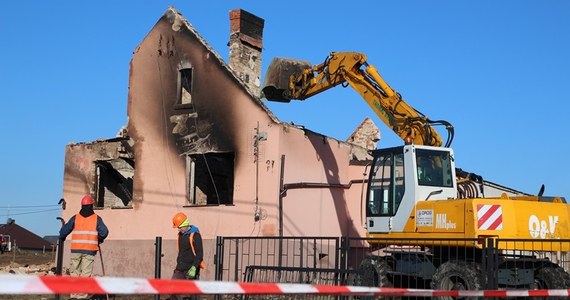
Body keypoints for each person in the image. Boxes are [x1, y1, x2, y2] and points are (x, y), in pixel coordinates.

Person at [59, 195, 109, 300]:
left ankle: (74, 296)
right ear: (91, 206)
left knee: (74, 274)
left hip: (76, 250)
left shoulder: (75, 217)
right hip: (89, 251)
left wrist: (62, 237)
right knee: (85, 275)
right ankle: (81, 296)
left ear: (82, 206)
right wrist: (99, 238)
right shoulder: (96, 218)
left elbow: (64, 230)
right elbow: (104, 232)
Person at [170, 212, 204, 295]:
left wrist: (194, 268)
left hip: (191, 270)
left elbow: (199, 254)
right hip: (180, 268)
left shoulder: (195, 235)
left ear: (185, 224)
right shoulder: (180, 235)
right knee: (171, 290)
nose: (178, 229)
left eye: (180, 227)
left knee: (193, 294)